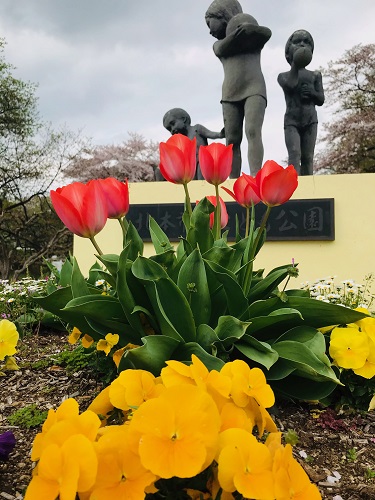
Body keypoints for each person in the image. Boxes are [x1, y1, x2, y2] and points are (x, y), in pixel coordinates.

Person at [205, 0, 271, 177]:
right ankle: (234, 181)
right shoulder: (219, 45)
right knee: (232, 140)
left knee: (253, 131)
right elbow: (223, 48)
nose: (210, 30)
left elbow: (267, 33)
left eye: (210, 23)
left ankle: (257, 177)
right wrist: (238, 35)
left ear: (221, 16)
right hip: (229, 94)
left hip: (254, 88)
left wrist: (251, 29)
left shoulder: (253, 39)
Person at [278, 30, 325, 175]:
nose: (302, 45)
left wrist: (312, 93)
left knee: (308, 157)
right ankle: (294, 187)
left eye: (306, 42)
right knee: (294, 154)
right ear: (288, 49)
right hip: (292, 120)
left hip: (310, 119)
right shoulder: (283, 76)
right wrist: (295, 64)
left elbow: (321, 99)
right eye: (297, 42)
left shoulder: (315, 75)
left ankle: (308, 188)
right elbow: (290, 85)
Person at [161, 108, 224, 180]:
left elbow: (210, 134)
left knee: (202, 177)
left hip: (202, 160)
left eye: (173, 124)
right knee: (192, 180)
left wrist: (220, 134)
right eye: (169, 129)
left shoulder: (196, 129)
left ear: (184, 119)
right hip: (191, 164)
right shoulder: (181, 141)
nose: (172, 130)